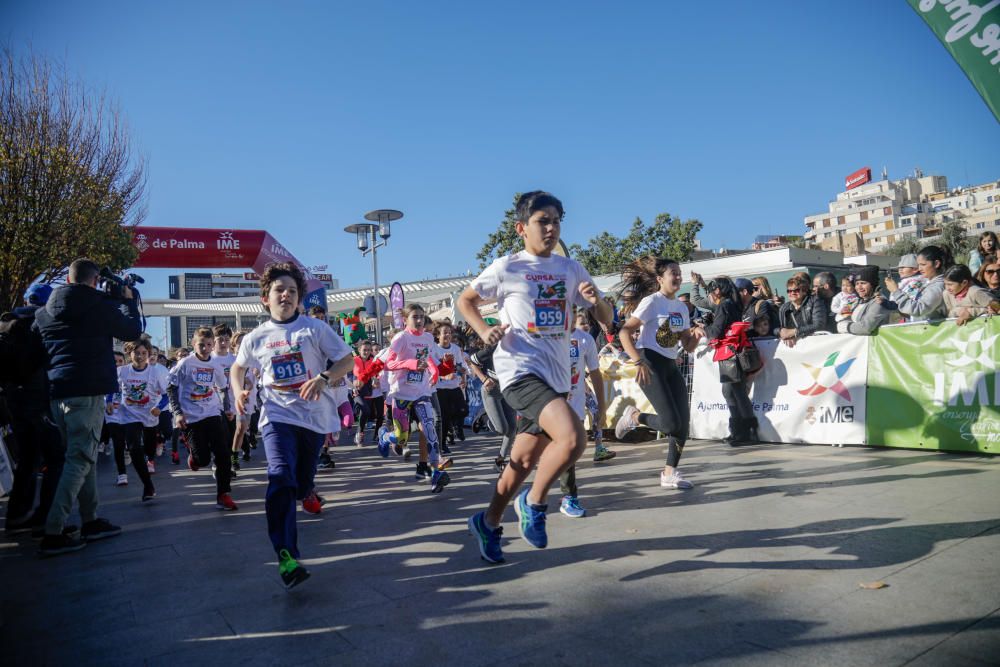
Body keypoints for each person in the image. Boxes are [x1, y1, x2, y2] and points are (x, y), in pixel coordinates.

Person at [458, 190, 612, 564]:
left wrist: (597, 301)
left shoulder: (571, 269)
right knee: (574, 439)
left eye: (557, 220)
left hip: (556, 378)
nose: (551, 227)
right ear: (521, 228)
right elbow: (466, 301)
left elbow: (607, 320)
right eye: (543, 220)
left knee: (522, 461)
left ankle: (489, 521)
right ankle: (535, 502)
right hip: (519, 372)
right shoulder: (507, 267)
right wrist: (484, 331)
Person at [231, 262, 354, 589]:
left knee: (300, 482)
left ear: (299, 299)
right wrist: (238, 391)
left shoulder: (313, 329)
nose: (285, 295)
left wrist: (324, 378)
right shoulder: (256, 338)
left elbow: (348, 359)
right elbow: (237, 368)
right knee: (280, 475)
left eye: (292, 291)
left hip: (313, 419)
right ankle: (286, 554)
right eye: (279, 290)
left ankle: (308, 490)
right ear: (265, 299)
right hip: (277, 417)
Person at [34, 258, 142, 556]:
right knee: (80, 460)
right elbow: (132, 331)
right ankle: (53, 531)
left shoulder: (44, 313)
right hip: (88, 391)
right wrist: (128, 302)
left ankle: (90, 520)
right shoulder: (96, 305)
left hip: (58, 393)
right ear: (95, 280)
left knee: (82, 458)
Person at [614, 257, 703, 489]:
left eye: (679, 272)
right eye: (673, 272)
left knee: (682, 423)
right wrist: (637, 361)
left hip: (671, 365)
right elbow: (624, 332)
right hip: (650, 364)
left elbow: (687, 345)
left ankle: (669, 474)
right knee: (671, 423)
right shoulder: (652, 302)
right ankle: (634, 417)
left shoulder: (682, 307)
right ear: (660, 279)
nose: (678, 277)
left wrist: (695, 337)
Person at [2, 284, 65, 538]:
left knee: (28, 459)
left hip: (13, 402)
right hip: (38, 402)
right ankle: (46, 516)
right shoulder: (41, 324)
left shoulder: (6, 323)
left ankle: (17, 515)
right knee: (56, 458)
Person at [168, 327, 238, 511]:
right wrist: (177, 413)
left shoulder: (215, 364)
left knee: (223, 454)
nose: (205, 348)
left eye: (209, 345)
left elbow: (222, 388)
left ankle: (223, 494)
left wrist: (227, 408)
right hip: (191, 417)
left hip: (212, 412)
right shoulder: (185, 363)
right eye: (201, 345)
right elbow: (171, 387)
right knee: (203, 460)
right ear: (193, 344)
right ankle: (195, 456)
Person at [383, 304, 452, 490]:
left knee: (430, 426)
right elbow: (388, 364)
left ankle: (436, 471)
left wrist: (434, 370)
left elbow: (427, 357)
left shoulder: (428, 337)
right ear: (405, 319)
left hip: (421, 391)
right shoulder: (400, 338)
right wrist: (411, 364)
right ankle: (386, 437)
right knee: (401, 437)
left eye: (422, 316)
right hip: (402, 392)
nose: (420, 320)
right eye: (415, 317)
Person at [556, 309, 612, 518]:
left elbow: (595, 373)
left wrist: (602, 404)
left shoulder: (585, 339)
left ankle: (568, 497)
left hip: (576, 404)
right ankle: (535, 495)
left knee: (570, 449)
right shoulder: (547, 337)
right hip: (550, 404)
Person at [705, 277, 758, 445]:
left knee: (735, 392)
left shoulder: (724, 305)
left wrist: (701, 328)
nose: (711, 293)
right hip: (735, 351)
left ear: (718, 290)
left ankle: (744, 432)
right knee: (734, 391)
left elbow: (716, 332)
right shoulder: (733, 303)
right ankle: (742, 430)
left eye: (712, 289)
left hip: (730, 354)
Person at [116, 339, 169, 502]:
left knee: (149, 448)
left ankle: (151, 456)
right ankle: (148, 485)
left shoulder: (155, 373)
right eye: (136, 353)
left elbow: (167, 396)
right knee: (133, 447)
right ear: (129, 353)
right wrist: (109, 402)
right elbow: (112, 388)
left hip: (149, 415)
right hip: (129, 414)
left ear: (148, 354)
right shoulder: (122, 371)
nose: (140, 356)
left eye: (143, 353)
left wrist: (159, 407)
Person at [468, 339, 517, 472]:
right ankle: (483, 418)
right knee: (501, 429)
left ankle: (500, 459)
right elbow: (472, 362)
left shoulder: (521, 350)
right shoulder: (494, 348)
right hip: (491, 391)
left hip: (508, 391)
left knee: (512, 428)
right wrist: (483, 379)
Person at [884, 245, 949, 321]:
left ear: (936, 264)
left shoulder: (937, 286)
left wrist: (895, 291)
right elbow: (919, 315)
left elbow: (919, 309)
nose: (920, 268)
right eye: (918, 265)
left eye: (923, 265)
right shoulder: (929, 284)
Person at [432, 321, 469, 449]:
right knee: (443, 417)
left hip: (454, 385)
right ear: (438, 335)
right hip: (440, 388)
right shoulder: (434, 349)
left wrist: (463, 375)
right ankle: (442, 444)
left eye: (449, 332)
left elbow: (460, 365)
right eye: (444, 333)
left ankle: (455, 426)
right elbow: (435, 369)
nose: (448, 335)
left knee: (463, 410)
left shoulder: (456, 349)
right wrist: (444, 375)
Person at [229, 331, 259, 474]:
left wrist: (257, 377)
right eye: (238, 344)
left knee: (242, 430)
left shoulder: (255, 361)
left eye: (244, 343)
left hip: (249, 401)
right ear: (233, 347)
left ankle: (240, 450)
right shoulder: (231, 361)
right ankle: (234, 457)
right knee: (240, 428)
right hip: (231, 402)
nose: (242, 346)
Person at [778, 274, 829, 348]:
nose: (792, 293)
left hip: (815, 345)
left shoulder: (815, 301)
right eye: (789, 291)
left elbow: (819, 325)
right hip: (793, 349)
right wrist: (781, 332)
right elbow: (775, 328)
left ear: (804, 291)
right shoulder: (784, 308)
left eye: (796, 290)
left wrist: (794, 332)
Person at [836, 267, 891, 335]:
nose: (859, 287)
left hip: (872, 344)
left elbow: (866, 328)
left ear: (873, 284)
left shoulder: (879, 302)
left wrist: (846, 327)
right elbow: (840, 317)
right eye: (857, 283)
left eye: (863, 283)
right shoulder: (857, 301)